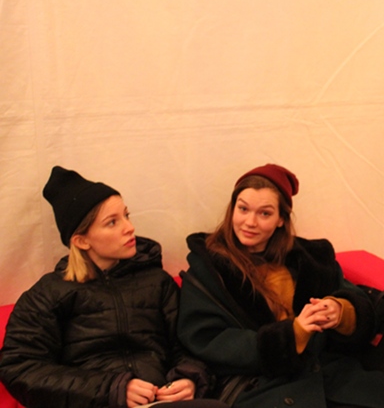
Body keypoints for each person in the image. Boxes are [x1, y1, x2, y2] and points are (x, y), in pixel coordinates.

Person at [0, 166, 227, 408]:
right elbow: (20, 366)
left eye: (126, 216)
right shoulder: (49, 293)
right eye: (112, 223)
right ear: (81, 240)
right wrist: (112, 389)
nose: (129, 228)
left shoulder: (157, 282)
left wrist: (190, 378)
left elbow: (193, 343)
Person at [176, 163, 384, 408]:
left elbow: (354, 298)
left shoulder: (310, 259)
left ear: (281, 219)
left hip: (327, 375)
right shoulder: (208, 270)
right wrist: (292, 335)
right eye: (243, 209)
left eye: (264, 213)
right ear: (232, 210)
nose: (250, 222)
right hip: (260, 385)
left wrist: (339, 310)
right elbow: (205, 339)